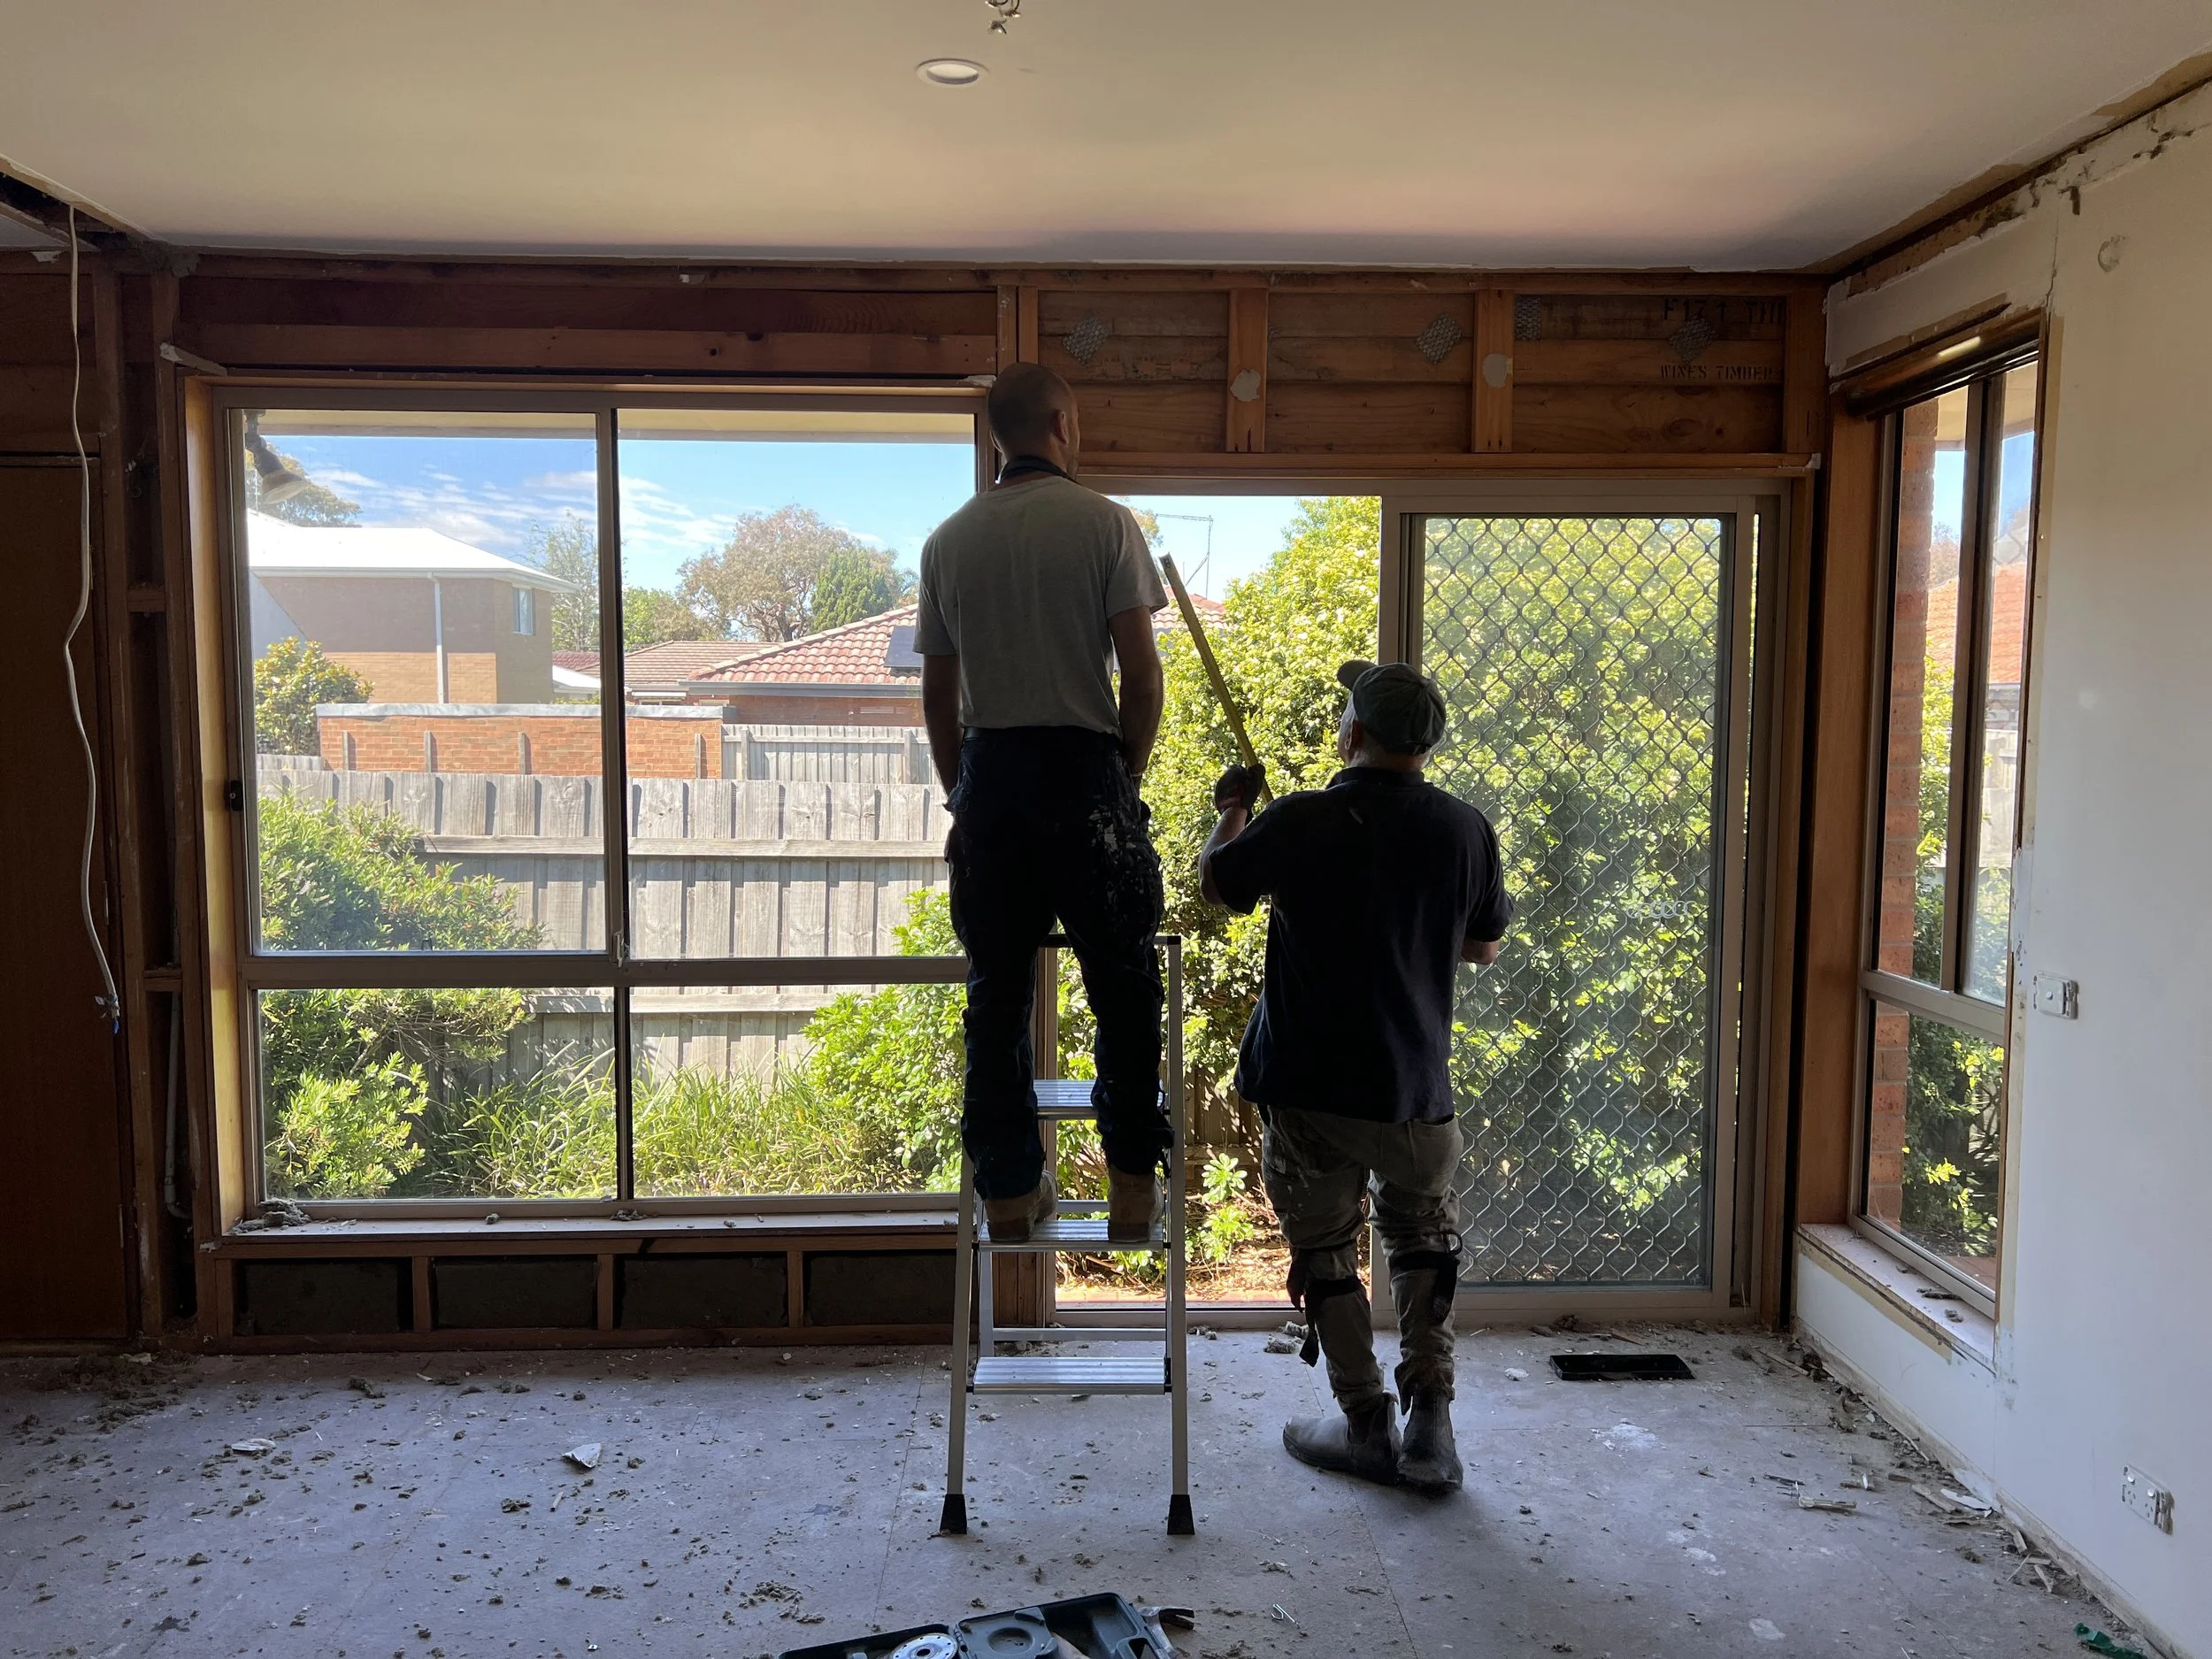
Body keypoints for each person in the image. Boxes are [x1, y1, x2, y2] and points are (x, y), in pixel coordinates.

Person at [1200, 660, 1511, 1494]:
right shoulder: (1465, 829)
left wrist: (1234, 806)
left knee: (1327, 1249)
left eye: (1346, 710)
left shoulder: (1302, 818)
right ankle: (1432, 1424)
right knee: (1424, 1240)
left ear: (1356, 733)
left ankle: (1367, 1422)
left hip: (1309, 1092)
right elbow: (1482, 946)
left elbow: (1218, 882)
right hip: (1414, 1093)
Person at [915, 363, 1171, 1245]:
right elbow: (1142, 679)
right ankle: (1131, 1190)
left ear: (998, 435)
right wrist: (1122, 778)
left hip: (991, 780)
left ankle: (1009, 1196)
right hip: (1083, 774)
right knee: (1123, 987)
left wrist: (962, 793)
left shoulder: (947, 541)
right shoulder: (1105, 524)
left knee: (995, 997)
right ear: (1062, 423)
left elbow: (938, 696)